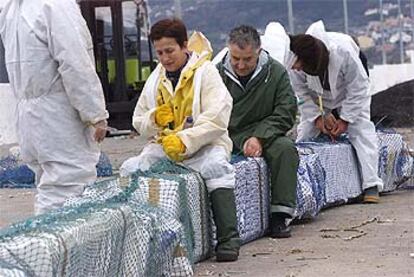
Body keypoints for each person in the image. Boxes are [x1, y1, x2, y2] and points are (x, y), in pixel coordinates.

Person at [120, 18, 241, 262]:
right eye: (160, 52)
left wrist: (186, 139)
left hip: (205, 145)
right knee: (132, 167)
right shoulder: (156, 78)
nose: (165, 58)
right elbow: (138, 120)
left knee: (216, 168)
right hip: (166, 145)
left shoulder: (206, 72)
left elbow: (217, 119)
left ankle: (229, 238)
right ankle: (136, 238)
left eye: (170, 51)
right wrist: (155, 118)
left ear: (185, 46)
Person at [0, 0, 108, 214]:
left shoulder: (12, 8)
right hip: (58, 115)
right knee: (70, 191)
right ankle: (56, 246)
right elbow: (75, 64)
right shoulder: (56, 6)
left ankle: (44, 242)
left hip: (29, 114)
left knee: (48, 188)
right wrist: (95, 114)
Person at [215, 25, 299, 238]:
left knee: (286, 149)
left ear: (259, 52)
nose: (241, 65)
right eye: (235, 58)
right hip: (228, 134)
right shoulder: (215, 73)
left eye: (247, 59)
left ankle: (280, 215)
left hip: (266, 131)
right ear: (228, 50)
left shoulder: (276, 72)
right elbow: (208, 113)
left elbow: (286, 111)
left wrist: (260, 137)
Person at [288, 21, 383, 203]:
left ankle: (371, 184)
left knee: (361, 129)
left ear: (310, 61)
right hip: (320, 94)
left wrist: (345, 120)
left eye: (299, 64)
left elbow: (358, 88)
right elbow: (301, 94)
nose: (296, 67)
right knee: (306, 132)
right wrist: (318, 118)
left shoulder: (344, 51)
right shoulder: (294, 63)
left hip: (350, 88)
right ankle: (300, 178)